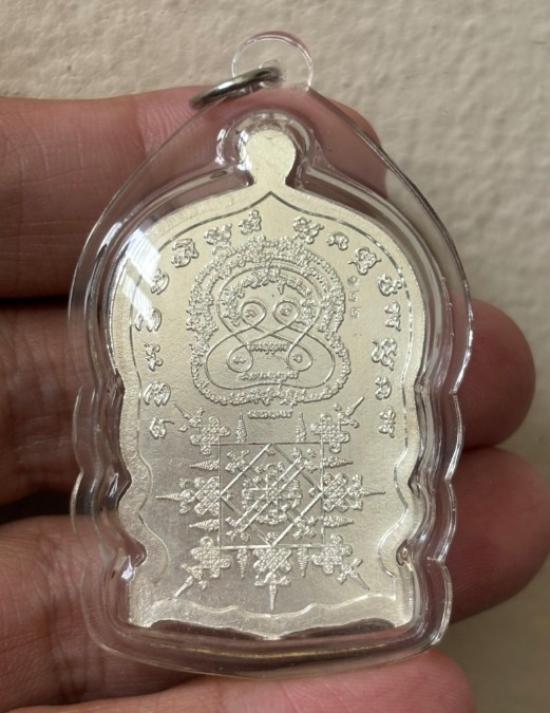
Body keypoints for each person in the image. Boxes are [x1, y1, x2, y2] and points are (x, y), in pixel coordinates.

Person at [0, 87, 548, 713]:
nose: (267, 325)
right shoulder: (177, 267)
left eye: (286, 312)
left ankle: (358, 584)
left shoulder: (354, 281)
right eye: (252, 313)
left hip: (330, 529)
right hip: (212, 525)